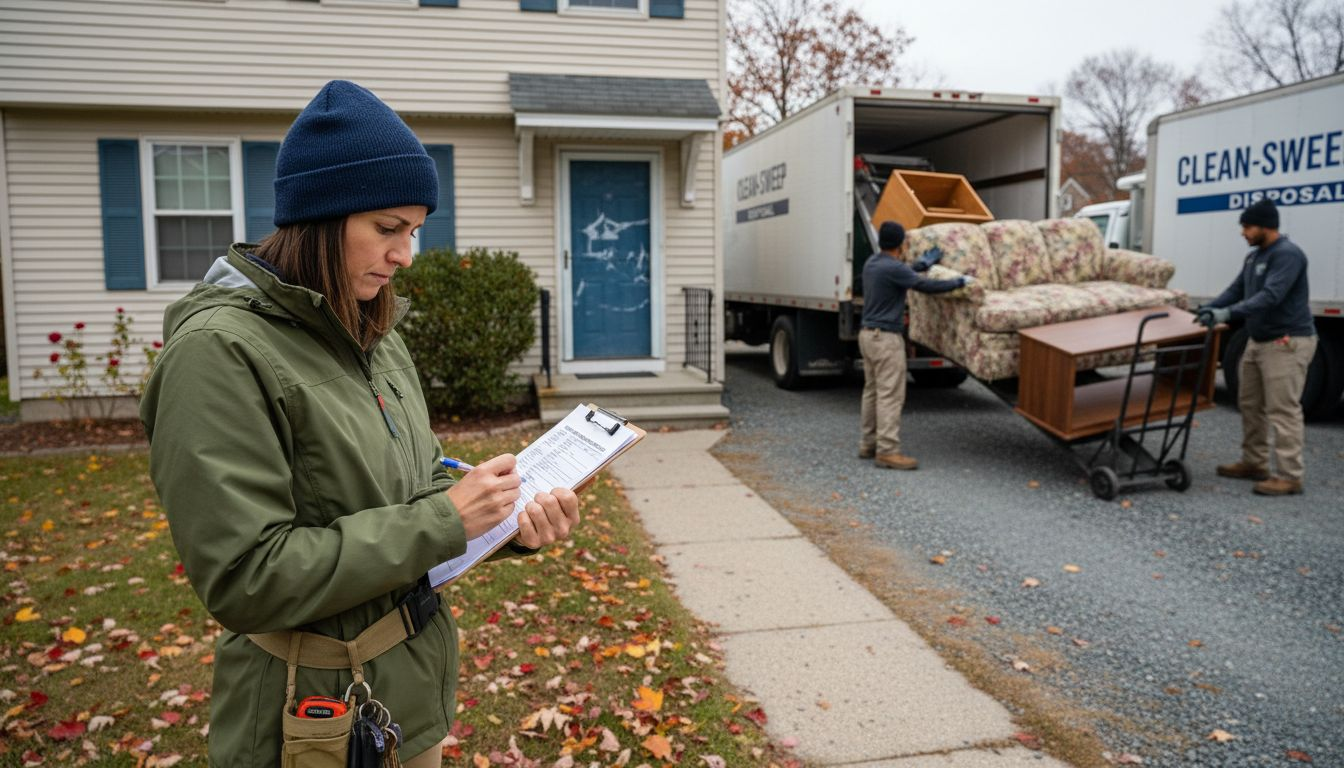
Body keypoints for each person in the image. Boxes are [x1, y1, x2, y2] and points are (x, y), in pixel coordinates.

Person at [139, 80, 581, 768]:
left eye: (413, 231)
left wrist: (506, 518)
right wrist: (444, 521)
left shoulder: (373, 331)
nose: (405, 255)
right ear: (320, 216)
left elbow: (422, 478)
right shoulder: (218, 354)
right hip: (309, 716)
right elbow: (244, 576)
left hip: (405, 698)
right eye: (387, 228)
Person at [1195, 198, 1316, 496]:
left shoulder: (1287, 255)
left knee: (1282, 409)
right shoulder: (1255, 256)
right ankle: (1255, 462)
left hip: (1285, 342)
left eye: (1247, 226)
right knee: (1249, 403)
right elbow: (1237, 289)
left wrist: (1229, 314)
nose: (1242, 232)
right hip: (1259, 340)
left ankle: (1290, 476)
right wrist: (1210, 308)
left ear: (1266, 226)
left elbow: (1270, 296)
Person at [858, 221, 974, 469]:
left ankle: (868, 444)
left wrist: (922, 264)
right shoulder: (894, 268)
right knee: (890, 395)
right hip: (886, 339)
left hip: (867, 336)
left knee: (872, 391)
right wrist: (959, 282)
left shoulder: (872, 263)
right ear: (901, 244)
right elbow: (925, 286)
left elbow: (904, 272)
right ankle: (887, 451)